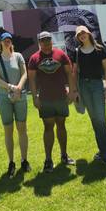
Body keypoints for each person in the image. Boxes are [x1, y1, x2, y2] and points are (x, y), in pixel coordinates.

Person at [28, 31, 77, 172]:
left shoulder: (61, 55)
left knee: (61, 125)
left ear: (51, 40)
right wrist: (34, 97)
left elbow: (69, 73)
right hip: (45, 99)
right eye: (43, 40)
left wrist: (72, 92)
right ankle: (48, 160)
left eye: (48, 39)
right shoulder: (34, 58)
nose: (46, 42)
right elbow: (31, 79)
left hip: (61, 97)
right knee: (48, 127)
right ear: (39, 42)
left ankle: (64, 156)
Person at [73, 25, 106, 171]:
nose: (82, 36)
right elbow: (74, 72)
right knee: (94, 120)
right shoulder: (77, 52)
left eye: (84, 33)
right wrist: (75, 91)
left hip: (97, 86)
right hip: (84, 87)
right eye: (79, 35)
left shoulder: (99, 49)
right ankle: (102, 152)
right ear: (78, 37)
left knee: (101, 120)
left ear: (89, 34)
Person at [0, 32, 31, 178]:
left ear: (11, 42)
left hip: (19, 96)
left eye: (9, 40)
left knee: (22, 128)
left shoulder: (18, 56)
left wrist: (18, 88)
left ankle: (24, 160)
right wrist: (10, 87)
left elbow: (24, 74)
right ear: (1, 43)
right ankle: (11, 162)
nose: (7, 42)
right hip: (4, 97)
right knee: (8, 130)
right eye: (4, 40)